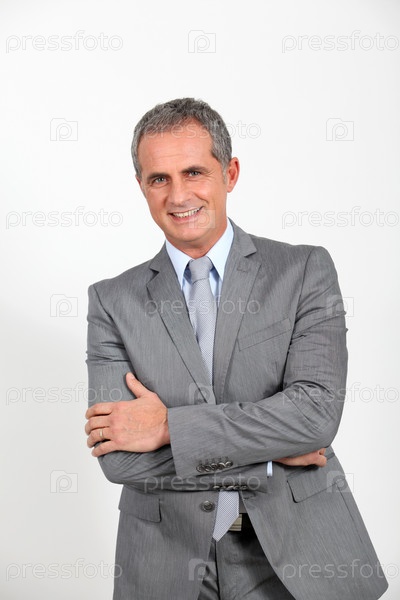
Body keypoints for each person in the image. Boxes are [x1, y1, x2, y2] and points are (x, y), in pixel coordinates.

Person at [85, 98, 388, 600]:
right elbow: (120, 461)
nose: (178, 195)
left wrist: (168, 428)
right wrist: (269, 458)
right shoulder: (112, 301)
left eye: (193, 172)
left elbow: (315, 416)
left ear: (230, 173)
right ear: (141, 186)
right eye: (159, 179)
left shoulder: (303, 271)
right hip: (165, 562)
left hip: (299, 555)